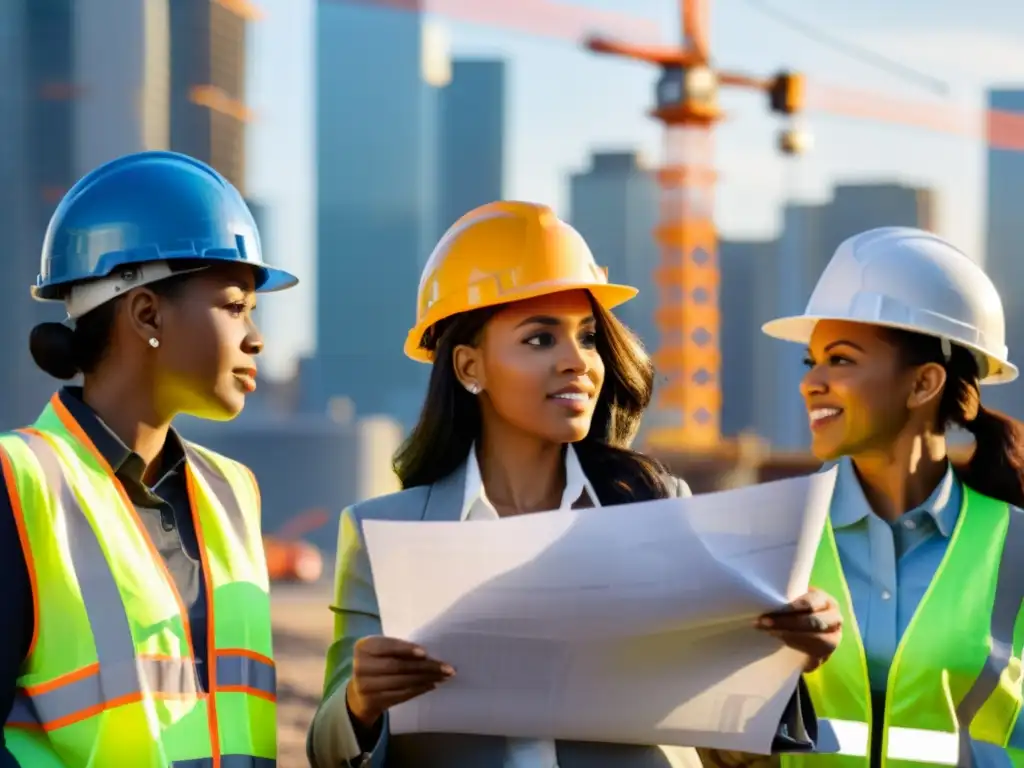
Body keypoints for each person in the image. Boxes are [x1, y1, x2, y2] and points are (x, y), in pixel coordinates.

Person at [308, 201, 843, 768]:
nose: (578, 363)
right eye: (540, 339)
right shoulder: (383, 533)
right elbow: (327, 751)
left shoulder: (659, 510)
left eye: (587, 337)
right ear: (469, 367)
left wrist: (781, 664)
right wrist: (360, 703)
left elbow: (725, 750)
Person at [0, 150, 298, 767]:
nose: (257, 337)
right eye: (236, 306)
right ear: (146, 313)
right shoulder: (18, 481)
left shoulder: (233, 491)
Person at [761, 226, 1024, 768]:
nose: (812, 382)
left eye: (841, 359)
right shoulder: (773, 538)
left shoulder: (1017, 547)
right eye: (810, 361)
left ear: (924, 383)